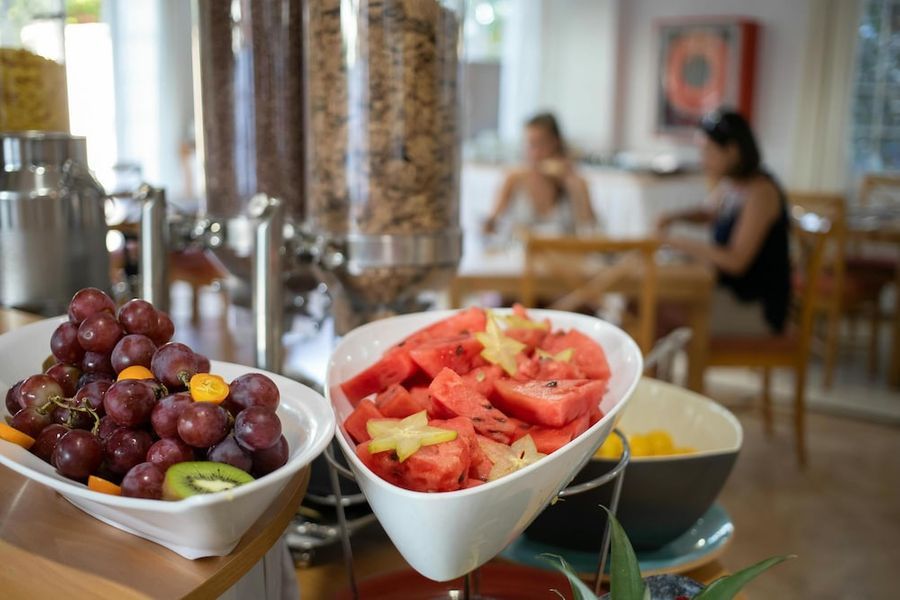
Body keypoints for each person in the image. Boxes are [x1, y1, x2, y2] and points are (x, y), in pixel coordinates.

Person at [657, 109, 791, 336]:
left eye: (708, 151)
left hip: (754, 308)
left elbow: (736, 260)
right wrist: (672, 217)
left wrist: (679, 242)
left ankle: (673, 360)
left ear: (732, 151)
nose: (703, 160)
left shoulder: (761, 192)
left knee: (652, 308)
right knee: (652, 300)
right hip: (726, 294)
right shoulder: (732, 185)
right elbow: (707, 213)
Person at [483, 113, 597, 236]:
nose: (535, 153)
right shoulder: (513, 179)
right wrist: (490, 224)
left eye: (541, 144)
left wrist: (571, 182)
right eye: (530, 144)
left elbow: (589, 230)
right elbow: (490, 226)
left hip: (562, 248)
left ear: (556, 143)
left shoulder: (576, 182)